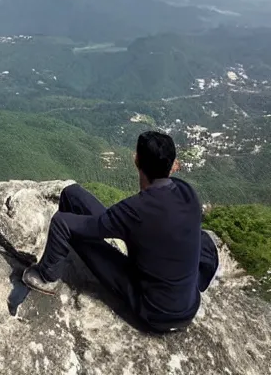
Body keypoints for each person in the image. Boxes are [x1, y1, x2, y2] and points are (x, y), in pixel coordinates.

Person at [22, 131, 219, 333]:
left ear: (137, 160)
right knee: (72, 194)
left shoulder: (136, 209)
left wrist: (65, 231)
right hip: (189, 307)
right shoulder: (187, 191)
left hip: (154, 312)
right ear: (172, 164)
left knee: (66, 224)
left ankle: (46, 277)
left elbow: (67, 223)